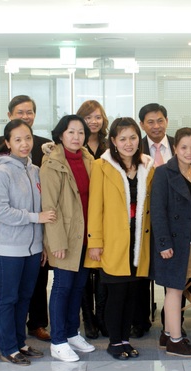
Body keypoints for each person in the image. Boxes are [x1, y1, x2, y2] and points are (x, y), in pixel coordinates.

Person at [85, 117, 155, 360]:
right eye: (122, 138)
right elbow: (95, 208)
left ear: (139, 139)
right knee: (116, 294)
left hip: (140, 244)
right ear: (113, 141)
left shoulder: (149, 166)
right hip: (114, 242)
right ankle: (115, 342)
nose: (128, 143)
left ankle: (126, 340)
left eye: (133, 138)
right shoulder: (101, 166)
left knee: (133, 294)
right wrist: (94, 241)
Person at [0, 119, 56, 366]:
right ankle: (7, 347)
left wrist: (42, 244)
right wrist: (33, 218)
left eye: (27, 138)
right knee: (8, 299)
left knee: (25, 296)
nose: (24, 144)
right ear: (7, 143)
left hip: (33, 248)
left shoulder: (35, 170)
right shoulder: (1, 173)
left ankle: (19, 342)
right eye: (17, 139)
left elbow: (43, 207)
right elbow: (0, 211)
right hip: (9, 248)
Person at [40, 115, 96, 362]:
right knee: (62, 287)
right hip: (64, 237)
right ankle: (58, 340)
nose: (77, 137)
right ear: (61, 134)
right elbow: (49, 207)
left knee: (78, 287)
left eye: (81, 132)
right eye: (71, 132)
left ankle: (72, 332)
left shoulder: (88, 159)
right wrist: (57, 242)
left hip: (84, 235)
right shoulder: (51, 164)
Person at [150, 127, 191, 358]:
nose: (189, 151)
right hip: (173, 244)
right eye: (183, 147)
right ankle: (176, 341)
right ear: (175, 149)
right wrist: (163, 243)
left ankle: (167, 334)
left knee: (180, 286)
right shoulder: (164, 173)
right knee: (174, 289)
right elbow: (158, 210)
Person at [134, 102, 175, 338]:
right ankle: (140, 321)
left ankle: (171, 322)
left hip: (174, 223)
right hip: (144, 222)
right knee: (141, 272)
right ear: (142, 125)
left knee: (173, 276)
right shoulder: (133, 147)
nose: (156, 125)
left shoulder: (179, 145)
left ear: (167, 121)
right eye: (150, 121)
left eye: (160, 120)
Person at [75, 100, 110, 339]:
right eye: (88, 117)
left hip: (107, 215)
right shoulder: (75, 144)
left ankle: (103, 317)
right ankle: (88, 318)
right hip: (81, 214)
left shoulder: (110, 145)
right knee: (84, 270)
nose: (93, 121)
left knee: (104, 269)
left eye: (97, 116)